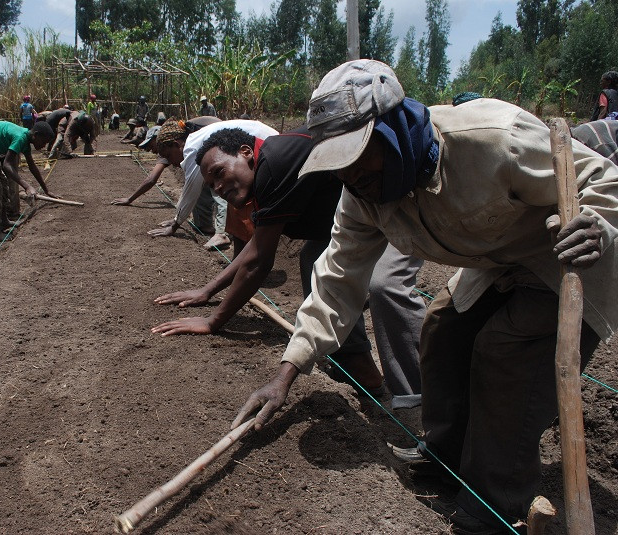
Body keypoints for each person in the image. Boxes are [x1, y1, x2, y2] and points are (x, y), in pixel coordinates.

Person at [231, 59, 618, 534]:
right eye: (338, 165)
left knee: (506, 355)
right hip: (495, 260)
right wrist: (286, 373)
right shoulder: (364, 194)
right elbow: (336, 278)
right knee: (441, 331)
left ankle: (494, 503)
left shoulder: (497, 138)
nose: (350, 176)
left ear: (392, 131)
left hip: (564, 256)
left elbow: (602, 180)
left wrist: (597, 223)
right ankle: (448, 462)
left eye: (357, 157)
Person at [152, 126, 425, 408]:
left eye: (219, 173)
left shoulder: (275, 163)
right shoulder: (263, 171)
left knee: (384, 284)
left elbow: (259, 261)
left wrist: (213, 321)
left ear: (246, 153)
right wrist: (207, 291)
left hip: (395, 203)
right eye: (211, 185)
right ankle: (358, 367)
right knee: (313, 262)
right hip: (350, 220)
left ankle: (417, 396)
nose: (218, 188)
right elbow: (257, 244)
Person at [148, 118, 276, 250]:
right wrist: (177, 219)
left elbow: (191, 190)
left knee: (239, 202)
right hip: (263, 143)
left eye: (169, 156)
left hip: (268, 146)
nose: (171, 162)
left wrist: (175, 224)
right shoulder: (194, 141)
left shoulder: (191, 149)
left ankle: (242, 247)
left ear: (176, 144)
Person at [0, 120, 57, 242]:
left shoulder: (25, 139)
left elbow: (32, 166)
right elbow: (7, 166)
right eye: (44, 142)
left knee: (3, 185)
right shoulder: (20, 137)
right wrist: (27, 186)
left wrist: (46, 190)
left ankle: (4, 221)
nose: (44, 146)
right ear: (36, 134)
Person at [111, 126, 166, 205]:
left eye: (151, 145)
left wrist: (129, 199)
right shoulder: (165, 152)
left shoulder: (168, 150)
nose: (152, 151)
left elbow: (151, 180)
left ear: (158, 139)